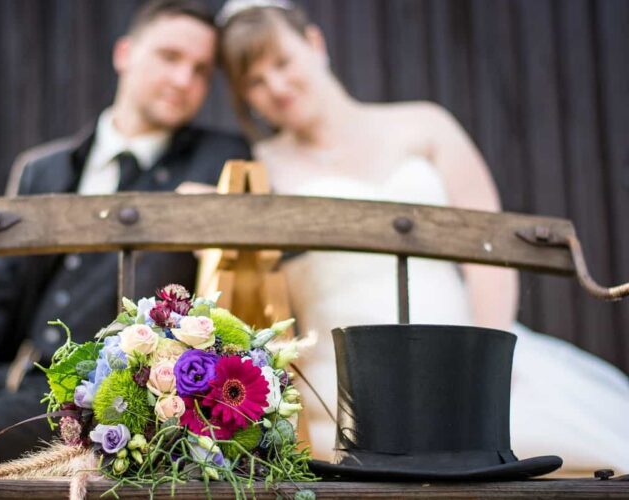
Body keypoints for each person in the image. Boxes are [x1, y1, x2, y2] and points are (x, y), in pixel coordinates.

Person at [217, 0, 629, 473]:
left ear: (315, 44)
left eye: (283, 63)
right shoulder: (257, 163)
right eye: (254, 81)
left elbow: (489, 249)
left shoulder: (424, 124)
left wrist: (488, 363)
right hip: (344, 380)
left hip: (465, 347)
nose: (276, 87)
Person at [0, 0, 250, 473]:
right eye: (169, 57)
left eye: (201, 70)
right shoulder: (44, 169)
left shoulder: (221, 162)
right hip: (13, 391)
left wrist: (220, 215)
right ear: (124, 53)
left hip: (112, 405)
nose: (185, 80)